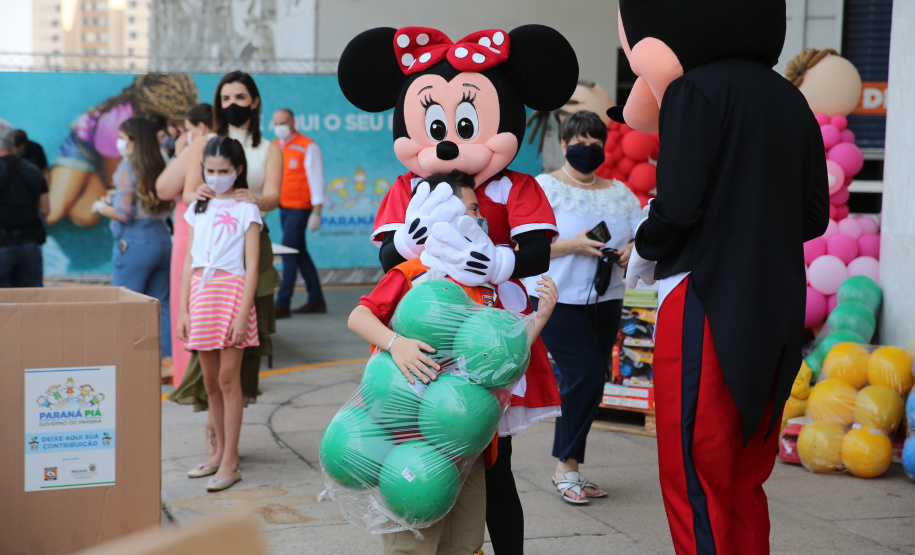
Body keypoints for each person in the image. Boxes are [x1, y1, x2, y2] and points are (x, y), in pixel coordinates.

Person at [613, 2, 830, 553]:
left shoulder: (694, 89)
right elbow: (814, 217)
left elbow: (678, 207)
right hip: (778, 300)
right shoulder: (791, 98)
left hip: (704, 294)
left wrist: (644, 245)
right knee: (745, 474)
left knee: (694, 471)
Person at [347, 170, 559, 554]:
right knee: (414, 535)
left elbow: (497, 361)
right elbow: (359, 317)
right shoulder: (412, 272)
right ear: (440, 213)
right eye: (471, 209)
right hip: (411, 435)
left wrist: (540, 319)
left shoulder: (484, 286)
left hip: (465, 437)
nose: (480, 217)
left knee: (465, 539)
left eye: (479, 209)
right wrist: (396, 344)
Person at [522, 110, 642, 504]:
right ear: (563, 145)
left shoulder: (620, 192)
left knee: (590, 381)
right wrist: (574, 244)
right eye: (579, 143)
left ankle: (571, 465)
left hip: (606, 298)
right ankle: (564, 468)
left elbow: (642, 234)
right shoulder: (544, 188)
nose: (587, 149)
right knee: (586, 374)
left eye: (595, 143)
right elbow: (525, 246)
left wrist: (631, 250)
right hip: (557, 299)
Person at [169, 71, 283, 466]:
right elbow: (187, 192)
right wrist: (201, 191)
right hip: (208, 253)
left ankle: (229, 446)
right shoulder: (205, 144)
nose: (233, 103)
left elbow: (274, 196)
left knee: (243, 348)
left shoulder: (269, 148)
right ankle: (215, 438)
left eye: (240, 96)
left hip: (248, 249)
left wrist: (252, 199)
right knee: (209, 363)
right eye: (225, 97)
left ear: (254, 100)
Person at [177, 136, 262, 492]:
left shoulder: (248, 209)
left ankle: (230, 460)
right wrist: (183, 309)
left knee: (229, 380)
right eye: (209, 171)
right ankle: (216, 453)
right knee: (210, 382)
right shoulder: (198, 207)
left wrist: (243, 314)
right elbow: (189, 260)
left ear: (238, 170)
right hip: (201, 293)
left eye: (223, 171)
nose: (215, 177)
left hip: (232, 293)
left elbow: (252, 265)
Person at [47, 73, 198, 227]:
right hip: (84, 147)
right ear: (146, 107)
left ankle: (91, 175)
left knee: (84, 216)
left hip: (117, 155)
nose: (182, 126)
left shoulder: (161, 124)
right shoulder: (113, 124)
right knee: (53, 213)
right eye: (175, 119)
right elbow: (113, 180)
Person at [91, 117, 173, 362]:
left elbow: (123, 213)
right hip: (162, 240)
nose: (120, 143)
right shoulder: (162, 161)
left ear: (134, 141)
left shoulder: (127, 168)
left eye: (123, 138)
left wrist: (100, 207)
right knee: (162, 305)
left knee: (126, 306)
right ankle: (167, 362)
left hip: (135, 244)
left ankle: (127, 362)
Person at [157, 103, 217, 386]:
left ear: (200, 128)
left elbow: (163, 188)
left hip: (189, 233)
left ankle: (188, 377)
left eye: (188, 129)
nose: (184, 135)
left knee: (187, 301)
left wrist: (179, 155)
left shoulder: (198, 147)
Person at [272, 107, 327, 318]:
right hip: (284, 207)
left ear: (293, 122)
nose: (280, 127)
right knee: (299, 252)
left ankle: (282, 303)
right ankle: (316, 299)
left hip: (301, 208)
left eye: (283, 123)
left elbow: (316, 179)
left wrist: (316, 211)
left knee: (288, 252)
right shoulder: (275, 147)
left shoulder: (308, 146)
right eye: (276, 124)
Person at [0, 119, 49, 287]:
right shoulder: (33, 170)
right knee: (30, 300)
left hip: (3, 245)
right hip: (30, 244)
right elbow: (45, 209)